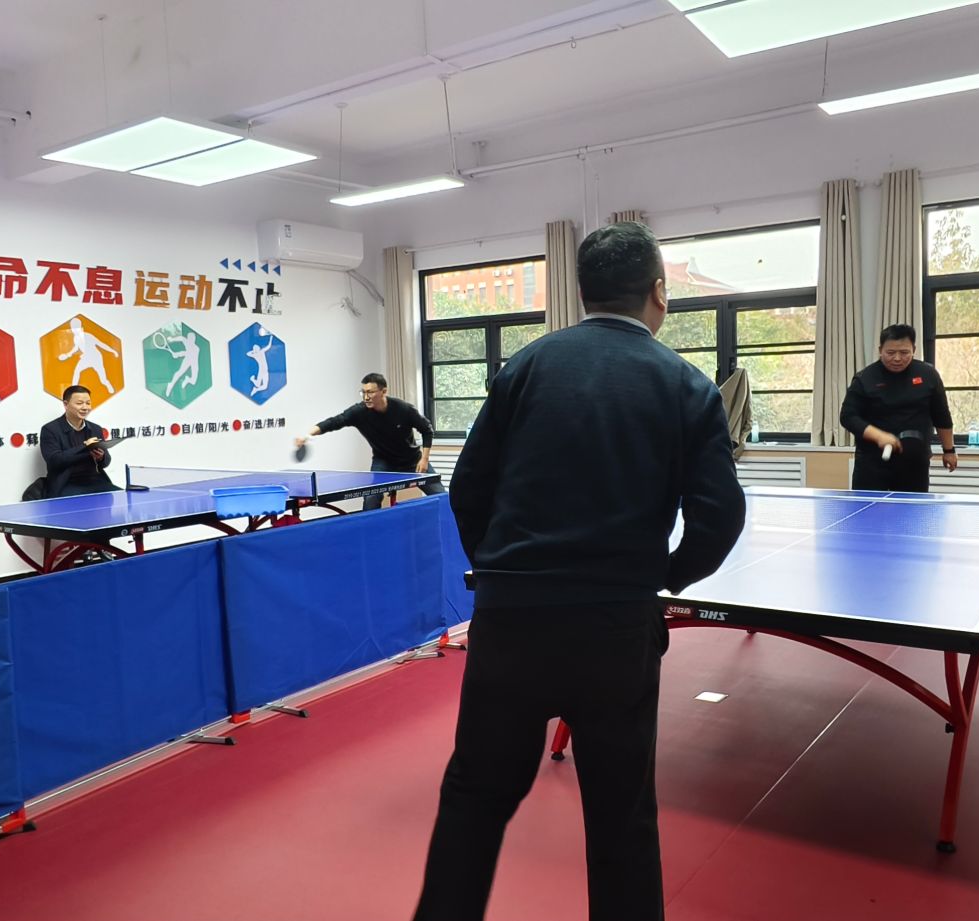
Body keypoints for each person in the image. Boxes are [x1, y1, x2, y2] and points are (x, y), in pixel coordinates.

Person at [411, 221, 746, 921]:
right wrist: (667, 575)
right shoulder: (685, 384)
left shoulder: (524, 368)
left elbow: (468, 489)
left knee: (474, 796)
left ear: (582, 291)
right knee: (623, 814)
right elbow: (719, 517)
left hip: (511, 622)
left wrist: (500, 571)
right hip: (615, 627)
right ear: (659, 293)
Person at [295, 373, 445, 511]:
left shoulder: (403, 409)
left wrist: (424, 459)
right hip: (383, 462)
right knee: (371, 498)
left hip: (413, 460)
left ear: (384, 391)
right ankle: (368, 530)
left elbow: (427, 430)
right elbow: (334, 422)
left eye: (370, 392)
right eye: (363, 392)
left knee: (442, 496)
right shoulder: (359, 412)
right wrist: (307, 435)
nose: (366, 397)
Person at [840, 324, 957, 491]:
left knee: (911, 507)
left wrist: (949, 450)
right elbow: (848, 416)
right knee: (869, 507)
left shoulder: (928, 375)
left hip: (914, 463)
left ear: (914, 349)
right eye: (890, 352)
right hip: (872, 464)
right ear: (880, 350)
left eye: (904, 352)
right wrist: (879, 436)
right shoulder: (865, 378)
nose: (897, 358)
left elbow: (941, 415)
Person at [39, 385, 117, 497]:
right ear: (66, 404)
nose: (85, 407)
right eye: (79, 403)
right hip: (66, 484)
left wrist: (101, 457)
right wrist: (85, 446)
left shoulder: (95, 428)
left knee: (116, 496)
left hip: (95, 481)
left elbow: (106, 462)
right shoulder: (50, 429)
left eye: (88, 403)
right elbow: (54, 461)